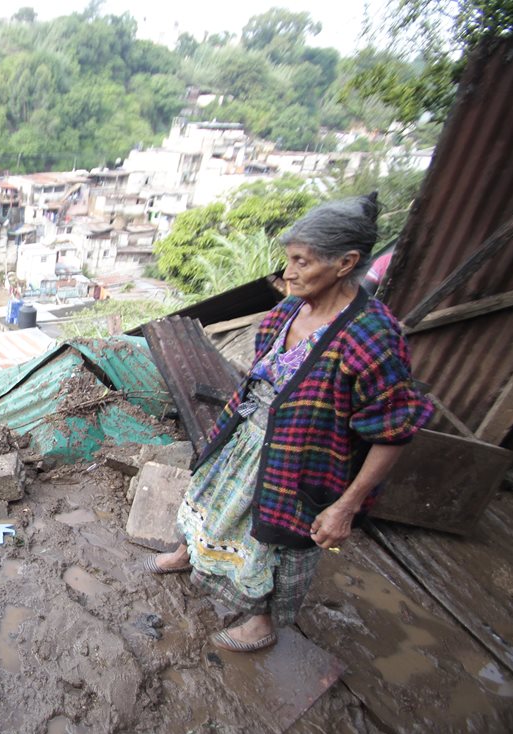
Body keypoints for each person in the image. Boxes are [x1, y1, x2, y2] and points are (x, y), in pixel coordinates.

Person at [146, 194, 433, 653]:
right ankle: (190, 554)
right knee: (205, 497)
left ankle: (261, 621)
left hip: (300, 462)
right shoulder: (287, 311)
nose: (290, 272)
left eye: (302, 262)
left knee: (268, 540)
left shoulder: (373, 336)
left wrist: (346, 506)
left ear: (346, 263)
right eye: (289, 260)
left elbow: (394, 433)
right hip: (244, 438)